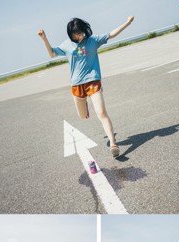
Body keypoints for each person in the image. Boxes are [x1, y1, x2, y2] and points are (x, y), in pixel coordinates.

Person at [38, 16, 134, 158]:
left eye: (80, 32)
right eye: (75, 34)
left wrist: (127, 23)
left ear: (85, 30)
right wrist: (44, 38)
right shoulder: (66, 45)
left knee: (101, 113)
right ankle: (86, 105)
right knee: (83, 117)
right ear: (70, 34)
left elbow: (111, 34)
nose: (78, 36)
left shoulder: (93, 41)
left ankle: (113, 144)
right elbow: (52, 53)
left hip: (93, 82)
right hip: (77, 85)